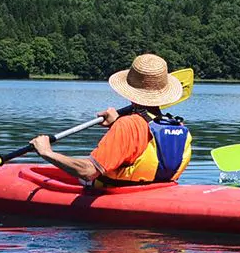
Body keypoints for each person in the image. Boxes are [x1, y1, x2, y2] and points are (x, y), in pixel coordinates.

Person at [30, 53, 191, 188]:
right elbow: (144, 148)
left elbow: (88, 172)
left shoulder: (127, 125)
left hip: (118, 194)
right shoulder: (177, 126)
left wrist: (47, 152)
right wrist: (116, 123)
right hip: (158, 190)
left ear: (130, 91)